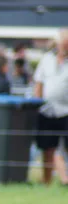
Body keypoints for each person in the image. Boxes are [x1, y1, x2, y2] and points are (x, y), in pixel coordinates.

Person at [33, 28, 68, 186]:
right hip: (47, 111)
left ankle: (64, 179)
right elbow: (39, 83)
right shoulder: (46, 59)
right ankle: (47, 181)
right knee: (47, 147)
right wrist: (36, 103)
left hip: (66, 111)